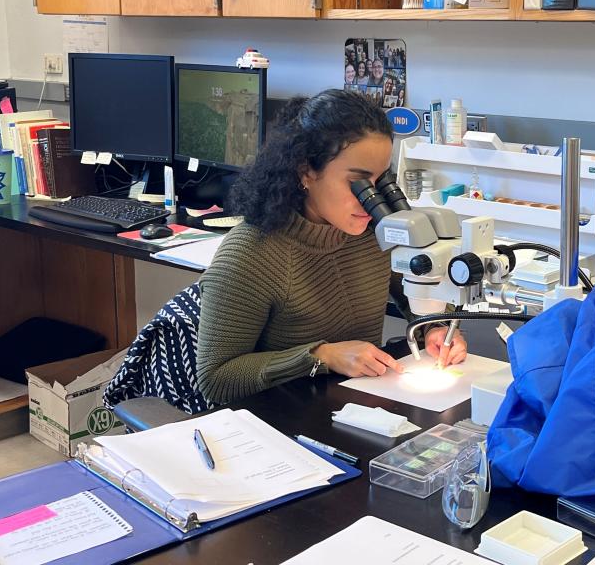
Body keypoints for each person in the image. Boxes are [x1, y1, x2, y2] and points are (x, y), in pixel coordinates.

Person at [195, 89, 467, 404]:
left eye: (380, 182)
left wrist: (434, 328)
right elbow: (215, 379)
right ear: (306, 171)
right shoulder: (250, 254)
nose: (371, 200)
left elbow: (416, 295)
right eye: (358, 183)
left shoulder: (374, 233)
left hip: (355, 408)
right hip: (281, 422)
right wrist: (321, 356)